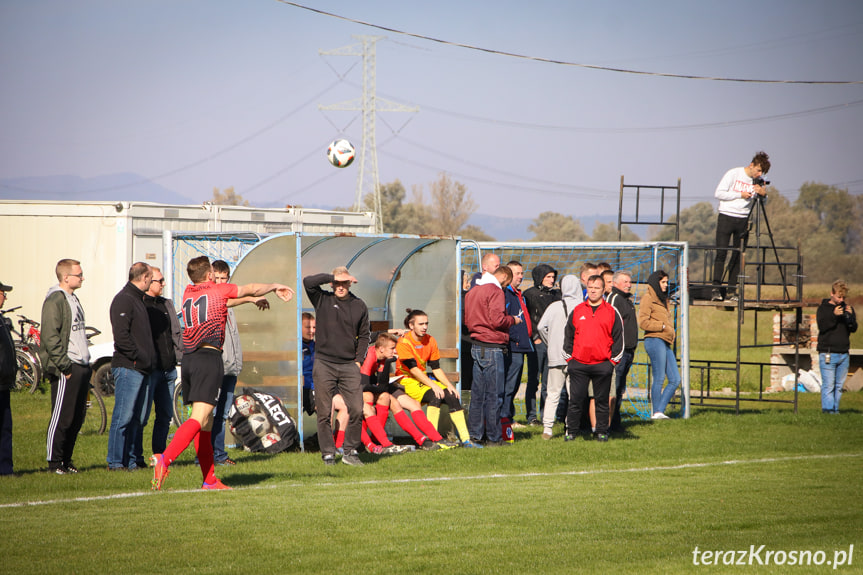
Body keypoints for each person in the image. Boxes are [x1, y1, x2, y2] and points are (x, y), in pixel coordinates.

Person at [152, 256, 293, 489]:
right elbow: (249, 287)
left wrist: (249, 300)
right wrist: (274, 286)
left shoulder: (190, 292)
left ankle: (209, 481)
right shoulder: (218, 290)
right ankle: (164, 459)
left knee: (205, 423)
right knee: (198, 418)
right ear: (209, 275)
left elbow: (225, 302)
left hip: (190, 360)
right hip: (209, 359)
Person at [303, 267, 370, 466]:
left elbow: (365, 335)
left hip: (349, 365)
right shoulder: (322, 299)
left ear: (350, 283)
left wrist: (358, 360)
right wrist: (333, 276)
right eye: (337, 283)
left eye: (344, 283)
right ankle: (328, 454)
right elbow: (308, 281)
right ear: (332, 283)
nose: (340, 287)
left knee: (357, 409)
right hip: (324, 363)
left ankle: (350, 451)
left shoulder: (359, 305)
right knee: (324, 413)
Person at [210, 260, 270, 466]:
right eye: (215, 278)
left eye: (223, 279)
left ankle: (218, 455)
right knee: (212, 413)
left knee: (222, 413)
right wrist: (252, 298)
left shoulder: (229, 298)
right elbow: (226, 302)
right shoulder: (213, 298)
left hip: (230, 367)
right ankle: (210, 456)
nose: (219, 282)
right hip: (215, 367)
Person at [396, 309, 477, 447]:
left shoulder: (430, 340)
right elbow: (414, 370)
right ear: (411, 326)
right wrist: (434, 385)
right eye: (421, 324)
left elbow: (436, 368)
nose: (425, 327)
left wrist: (450, 386)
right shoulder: (403, 342)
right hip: (407, 379)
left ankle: (466, 440)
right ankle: (433, 440)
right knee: (435, 395)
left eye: (426, 323)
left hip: (422, 378)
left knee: (451, 396)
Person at [39, 259, 92, 474]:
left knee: (77, 416)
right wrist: (65, 366)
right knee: (62, 416)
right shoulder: (55, 299)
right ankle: (54, 462)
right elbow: (50, 337)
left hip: (81, 365)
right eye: (79, 274)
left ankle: (67, 460)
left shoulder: (73, 298)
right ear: (66, 277)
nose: (82, 278)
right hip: (66, 367)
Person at [107, 262, 157, 471]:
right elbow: (121, 337)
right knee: (123, 416)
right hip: (129, 367)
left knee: (139, 418)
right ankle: (116, 461)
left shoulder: (138, 299)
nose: (153, 282)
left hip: (143, 368)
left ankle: (131, 459)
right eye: (152, 278)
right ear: (144, 277)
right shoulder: (124, 299)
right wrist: (138, 357)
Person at [563, 275, 623, 443]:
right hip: (579, 364)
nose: (593, 290)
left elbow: (619, 339)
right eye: (590, 287)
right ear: (586, 288)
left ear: (603, 290)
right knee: (575, 401)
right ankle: (571, 432)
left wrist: (611, 363)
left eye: (597, 287)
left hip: (602, 364)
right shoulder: (578, 310)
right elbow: (568, 336)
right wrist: (570, 360)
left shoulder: (611, 311)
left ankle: (601, 432)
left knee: (602, 401)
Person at [465, 265, 521, 446]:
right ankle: (494, 438)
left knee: (478, 395)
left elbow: (468, 319)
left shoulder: (473, 291)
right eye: (507, 282)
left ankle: (475, 435)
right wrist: (513, 319)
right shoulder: (495, 290)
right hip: (492, 346)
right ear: (504, 276)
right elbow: (497, 320)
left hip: (476, 345)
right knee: (494, 394)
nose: (505, 287)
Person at [712, 151, 771, 302]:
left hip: (744, 219)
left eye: (761, 172)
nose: (759, 174)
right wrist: (740, 195)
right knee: (721, 253)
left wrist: (763, 194)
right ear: (752, 165)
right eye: (758, 170)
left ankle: (732, 290)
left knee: (738, 255)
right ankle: (716, 289)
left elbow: (762, 203)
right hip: (726, 216)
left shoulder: (757, 181)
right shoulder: (734, 173)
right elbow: (719, 193)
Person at [142, 266, 182, 457]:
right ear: (149, 281)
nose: (164, 284)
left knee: (165, 415)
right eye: (161, 280)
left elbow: (176, 333)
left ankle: (160, 454)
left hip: (168, 369)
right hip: (150, 370)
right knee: (140, 416)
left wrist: (179, 356)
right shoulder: (141, 304)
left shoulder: (167, 304)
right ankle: (134, 456)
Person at [536, 274, 581, 440]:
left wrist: (550, 343)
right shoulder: (582, 306)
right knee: (574, 395)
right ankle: (570, 428)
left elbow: (541, 326)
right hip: (576, 357)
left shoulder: (554, 306)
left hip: (555, 356)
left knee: (553, 393)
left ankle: (547, 428)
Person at [639, 270, 681, 420]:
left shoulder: (663, 299)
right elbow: (643, 322)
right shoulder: (648, 298)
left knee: (675, 379)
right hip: (654, 340)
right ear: (656, 282)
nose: (666, 285)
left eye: (667, 282)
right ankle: (656, 412)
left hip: (665, 341)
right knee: (659, 377)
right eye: (663, 282)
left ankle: (659, 411)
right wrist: (662, 326)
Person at [523, 263, 560, 426]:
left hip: (553, 343)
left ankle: (546, 415)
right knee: (533, 380)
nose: (551, 280)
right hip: (537, 343)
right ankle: (531, 416)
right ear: (539, 278)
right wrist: (535, 337)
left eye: (553, 277)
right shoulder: (530, 294)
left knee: (549, 381)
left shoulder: (557, 295)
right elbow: (527, 317)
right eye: (548, 277)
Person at [502, 260, 532, 443]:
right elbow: (506, 320)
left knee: (514, 384)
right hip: (513, 346)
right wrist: (515, 337)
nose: (521, 276)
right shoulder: (505, 293)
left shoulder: (518, 294)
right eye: (517, 273)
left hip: (522, 345)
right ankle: (506, 419)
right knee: (508, 384)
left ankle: (508, 416)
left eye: (522, 273)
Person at [816, 280, 857, 414]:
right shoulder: (823, 309)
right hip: (828, 352)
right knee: (828, 385)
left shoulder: (847, 308)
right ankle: (828, 411)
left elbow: (853, 328)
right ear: (831, 294)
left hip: (843, 353)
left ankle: (836, 410)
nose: (841, 300)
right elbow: (822, 327)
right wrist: (834, 315)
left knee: (839, 386)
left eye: (843, 297)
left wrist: (850, 317)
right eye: (839, 297)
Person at [606, 271, 638, 432]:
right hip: (618, 353)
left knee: (620, 389)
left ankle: (616, 423)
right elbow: (607, 323)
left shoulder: (626, 300)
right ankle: (608, 424)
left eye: (630, 282)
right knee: (613, 388)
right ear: (615, 283)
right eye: (625, 281)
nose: (629, 284)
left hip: (629, 351)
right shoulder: (614, 299)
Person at [0, 281, 16, 476]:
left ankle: (5, 469)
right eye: (3, 293)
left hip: (4, 383)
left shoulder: (3, 319)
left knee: (5, 429)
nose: (4, 297)